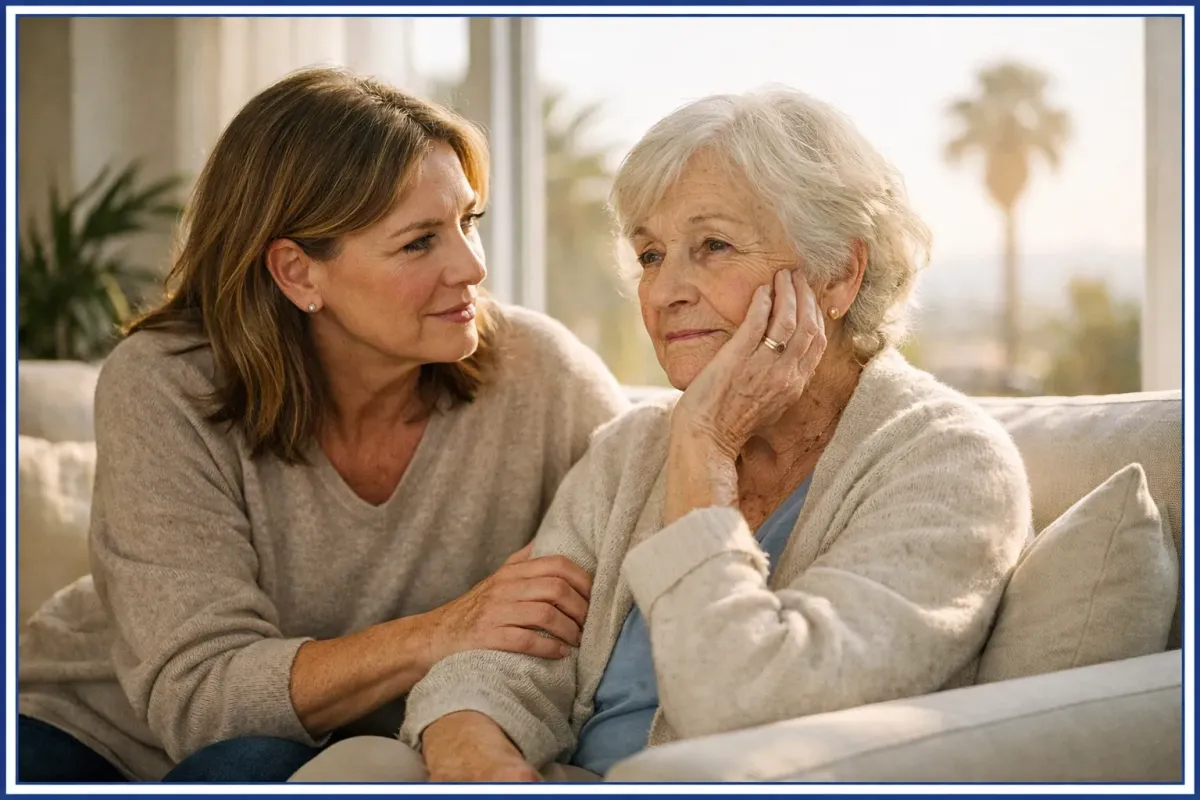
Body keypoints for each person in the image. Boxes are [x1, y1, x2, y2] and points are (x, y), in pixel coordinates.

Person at [288, 86, 1033, 784]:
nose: (665, 291)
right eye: (650, 255)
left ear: (838, 273)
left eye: (712, 246)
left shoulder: (948, 465)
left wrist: (706, 449)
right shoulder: (634, 449)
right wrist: (473, 748)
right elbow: (498, 656)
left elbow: (745, 707)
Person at [16, 66, 628, 783]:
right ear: (299, 273)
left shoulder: (543, 376)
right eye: (419, 242)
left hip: (320, 756)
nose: (470, 267)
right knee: (248, 761)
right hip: (93, 734)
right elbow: (200, 697)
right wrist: (442, 630)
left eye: (468, 222)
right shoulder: (166, 383)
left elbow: (641, 541)